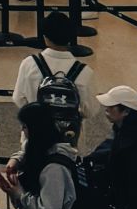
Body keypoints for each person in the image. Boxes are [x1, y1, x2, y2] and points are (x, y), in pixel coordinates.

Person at [14, 13, 96, 143]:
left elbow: (18, 99)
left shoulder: (29, 64)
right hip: (69, 141)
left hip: (35, 137)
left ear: (45, 37)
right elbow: (89, 111)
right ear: (70, 38)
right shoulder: (84, 71)